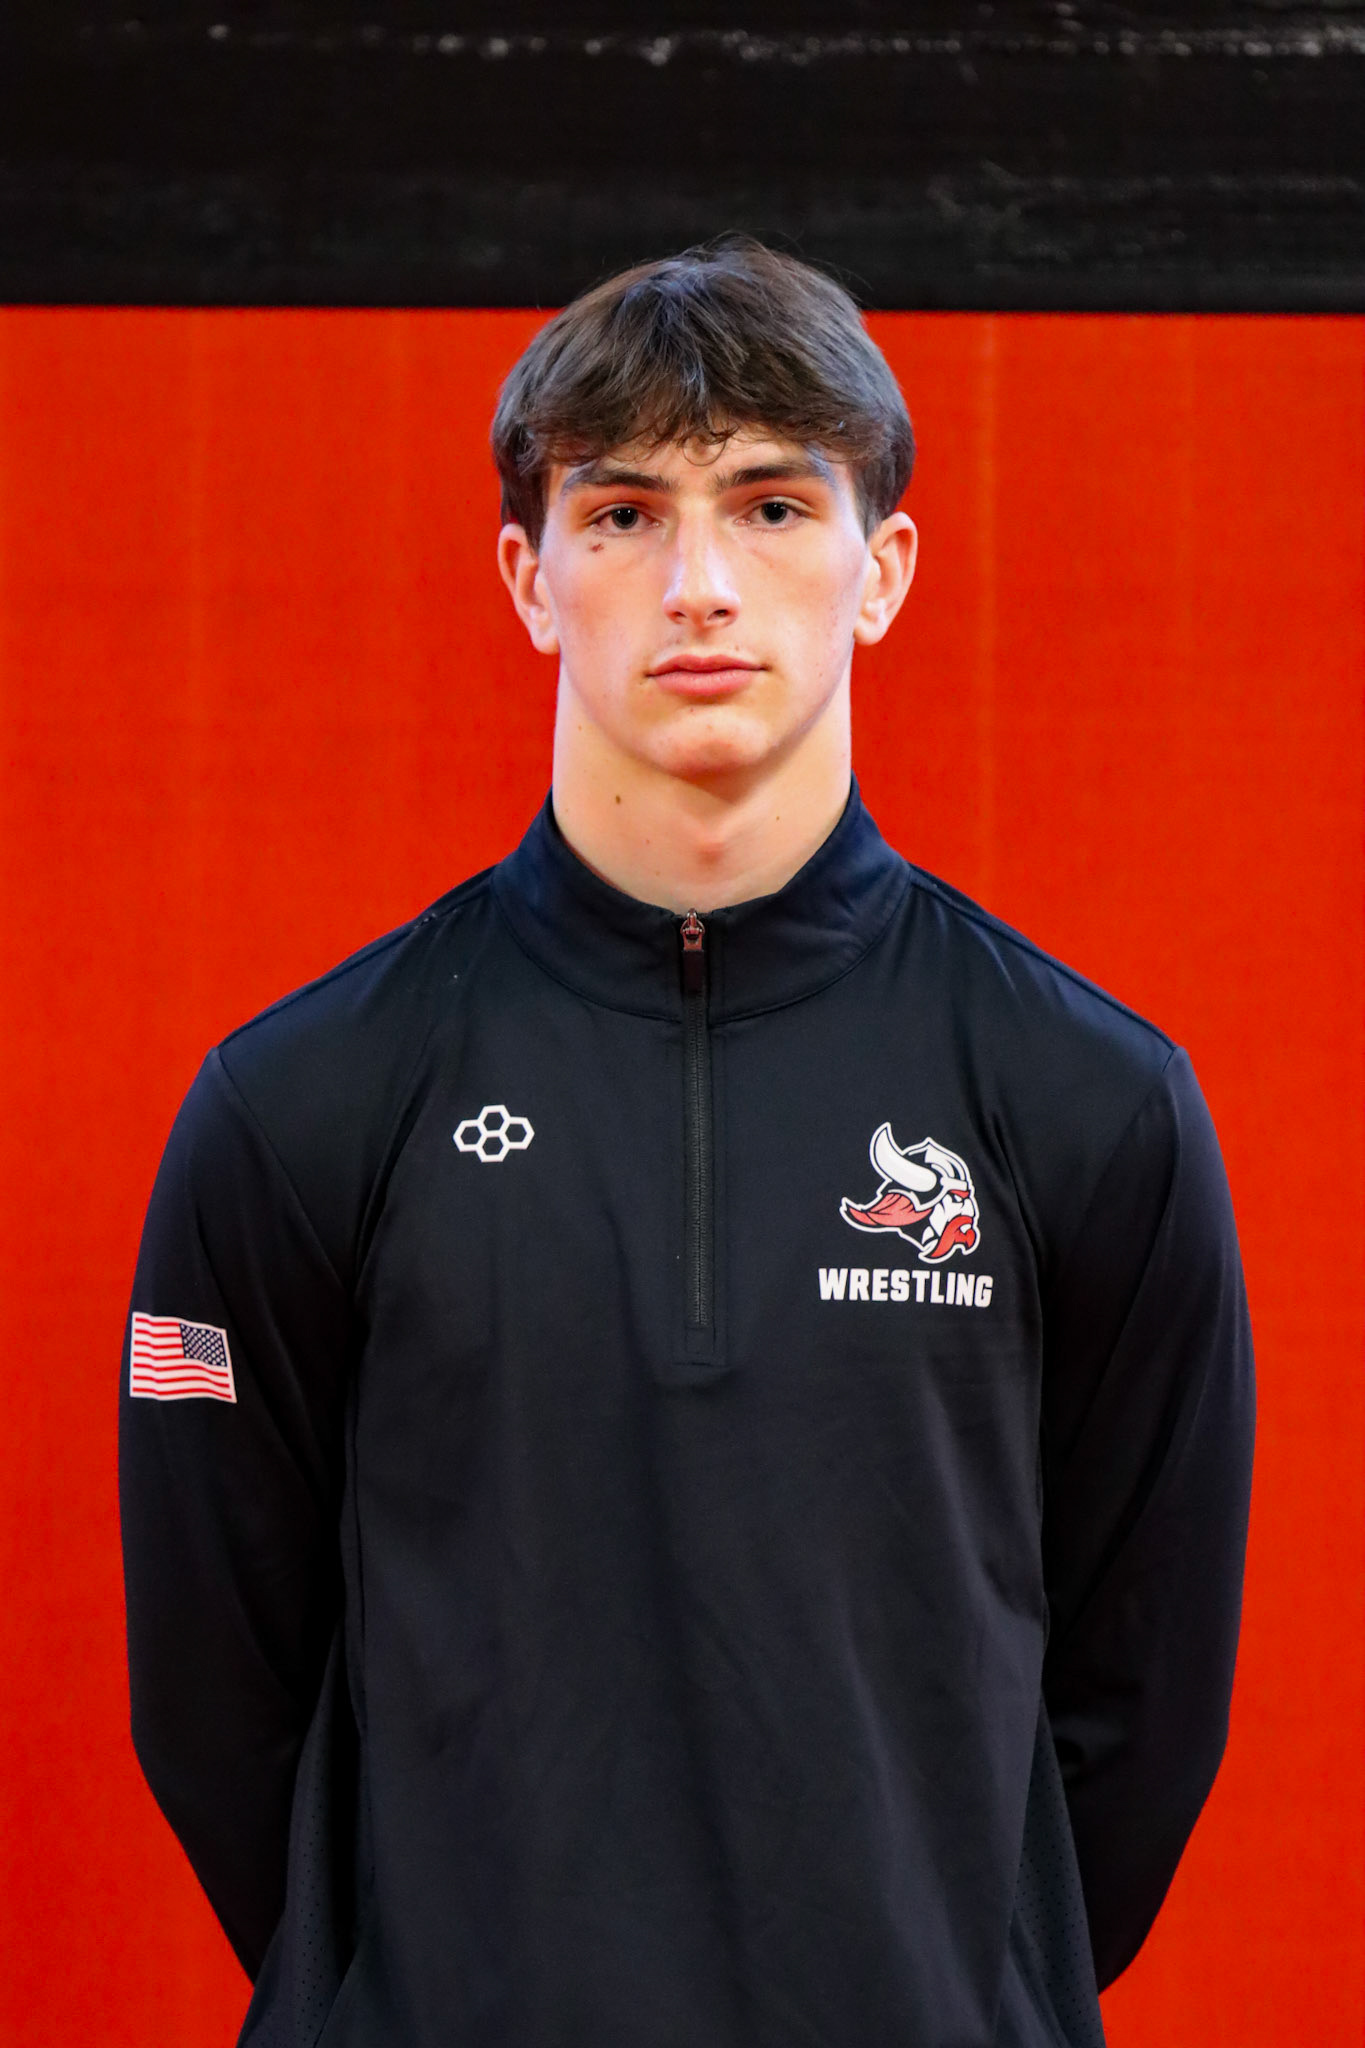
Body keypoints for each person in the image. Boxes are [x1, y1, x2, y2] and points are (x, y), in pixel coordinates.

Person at [120, 239, 1255, 2048]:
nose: (699, 584)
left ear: (883, 570)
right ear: (529, 575)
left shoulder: (1090, 1102)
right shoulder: (299, 1103)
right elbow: (213, 1689)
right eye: (624, 513)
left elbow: (1144, 1699)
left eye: (773, 506)